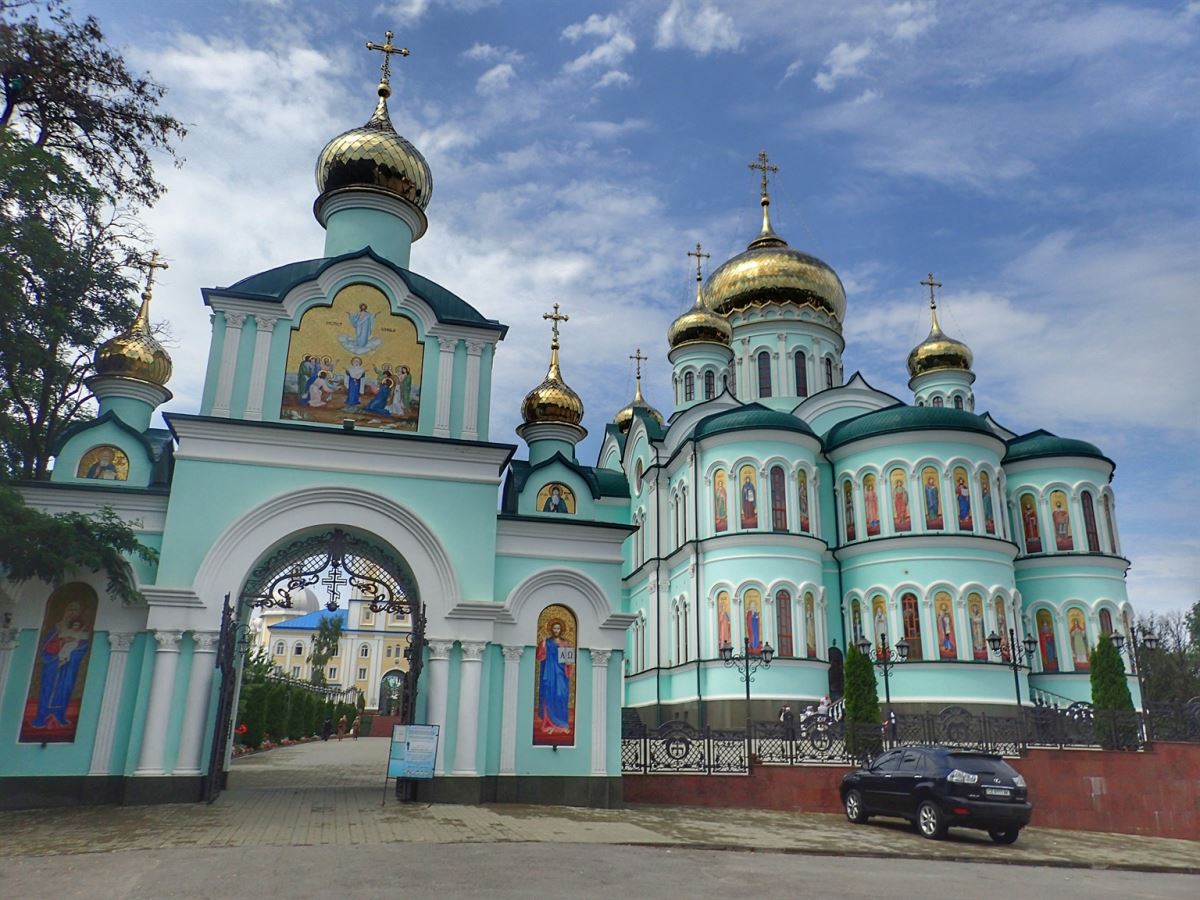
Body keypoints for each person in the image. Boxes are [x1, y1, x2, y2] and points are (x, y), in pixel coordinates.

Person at [536, 620, 573, 736]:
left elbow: (569, 661)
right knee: (549, 695)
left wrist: (568, 662)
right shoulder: (547, 642)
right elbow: (540, 657)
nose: (556, 630)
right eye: (554, 628)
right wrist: (542, 645)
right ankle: (549, 724)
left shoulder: (565, 643)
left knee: (561, 695)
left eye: (558, 628)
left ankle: (562, 724)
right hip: (550, 674)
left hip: (561, 675)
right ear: (551, 629)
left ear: (561, 629)